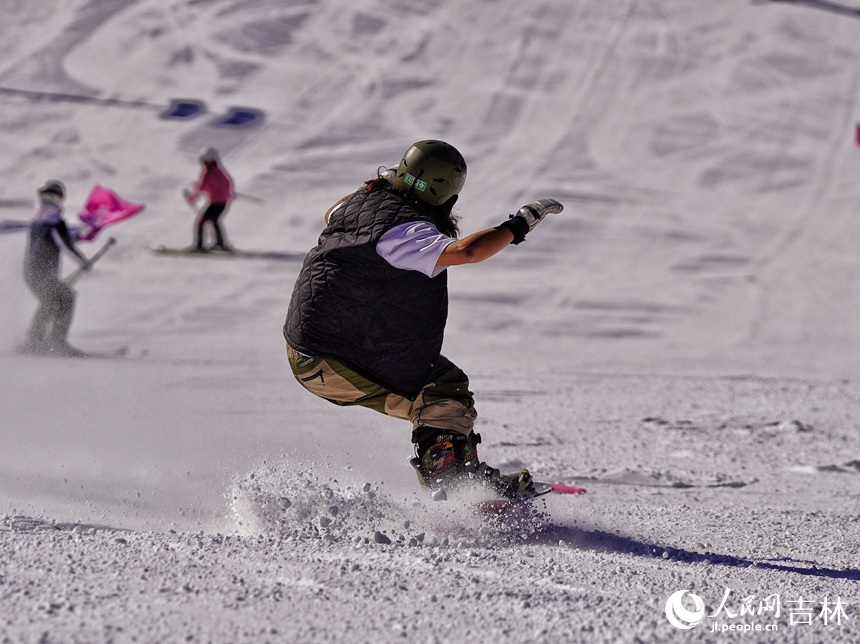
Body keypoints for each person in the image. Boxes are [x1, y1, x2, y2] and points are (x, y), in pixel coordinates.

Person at [283, 140, 563, 499]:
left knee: (444, 381)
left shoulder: (360, 203)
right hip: (335, 355)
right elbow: (469, 251)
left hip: (310, 346)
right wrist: (518, 224)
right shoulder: (406, 232)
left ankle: (458, 471)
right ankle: (455, 490)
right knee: (440, 393)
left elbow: (332, 213)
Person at [23, 180, 92, 355]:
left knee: (50, 301)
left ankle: (33, 341)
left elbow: (55, 239)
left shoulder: (38, 219)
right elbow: (64, 242)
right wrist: (83, 261)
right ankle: (56, 343)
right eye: (46, 196)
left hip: (31, 273)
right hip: (42, 274)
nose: (49, 201)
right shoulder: (54, 220)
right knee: (66, 298)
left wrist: (73, 238)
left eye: (52, 197)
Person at [184, 147, 235, 252]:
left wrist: (191, 198)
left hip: (216, 203)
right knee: (214, 220)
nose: (204, 163)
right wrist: (228, 193)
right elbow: (227, 183)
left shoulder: (207, 172)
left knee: (201, 222)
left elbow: (201, 187)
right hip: (223, 203)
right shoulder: (219, 171)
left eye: (205, 160)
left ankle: (199, 247)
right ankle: (220, 244)